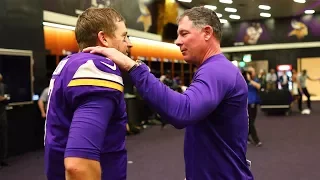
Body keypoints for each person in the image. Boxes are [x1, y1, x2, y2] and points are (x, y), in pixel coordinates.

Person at [84, 6, 253, 180]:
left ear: (207, 32)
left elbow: (183, 111)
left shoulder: (216, 70)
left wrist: (133, 67)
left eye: (184, 33)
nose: (177, 41)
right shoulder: (215, 69)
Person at [44, 7, 132, 180]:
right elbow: (78, 166)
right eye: (124, 36)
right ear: (104, 38)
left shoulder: (70, 63)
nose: (129, 43)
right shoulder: (97, 68)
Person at [245, 67, 262, 147]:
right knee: (251, 122)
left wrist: (250, 81)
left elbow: (258, 86)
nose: (254, 73)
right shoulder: (244, 80)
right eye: (253, 72)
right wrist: (247, 80)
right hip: (247, 103)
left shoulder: (255, 80)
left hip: (254, 103)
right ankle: (256, 140)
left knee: (252, 121)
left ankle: (246, 136)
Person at [0, 73, 9, 167]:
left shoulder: (3, 87)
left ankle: (3, 159)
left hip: (2, 115)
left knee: (3, 138)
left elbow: (7, 99)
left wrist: (3, 98)